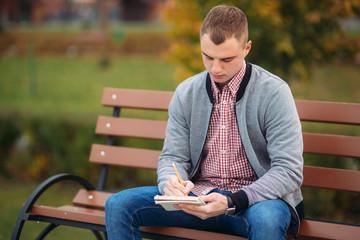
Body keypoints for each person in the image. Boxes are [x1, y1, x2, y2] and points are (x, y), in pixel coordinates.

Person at [105, 4, 304, 240]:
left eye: (226, 59)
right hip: (197, 200)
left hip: (254, 202)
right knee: (118, 205)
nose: (215, 68)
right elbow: (172, 158)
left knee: (268, 221)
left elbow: (288, 170)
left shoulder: (274, 92)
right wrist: (170, 184)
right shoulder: (186, 92)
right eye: (207, 57)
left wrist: (232, 200)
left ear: (247, 48)